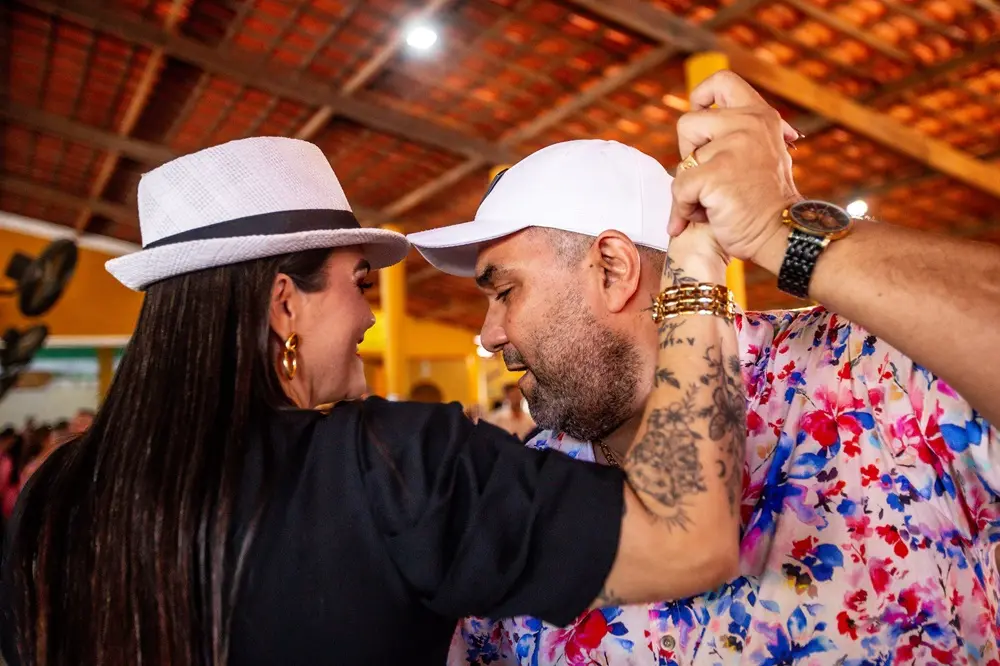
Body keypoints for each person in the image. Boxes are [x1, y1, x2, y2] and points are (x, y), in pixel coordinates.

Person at [1, 136, 745, 666]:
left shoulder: (54, 501)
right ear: (284, 307)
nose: (373, 316)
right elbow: (691, 538)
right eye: (360, 283)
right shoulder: (390, 468)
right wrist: (697, 269)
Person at [407, 73, 1000, 665]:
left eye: (504, 292)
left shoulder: (864, 376)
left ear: (612, 269)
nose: (488, 336)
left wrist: (781, 228)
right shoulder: (526, 503)